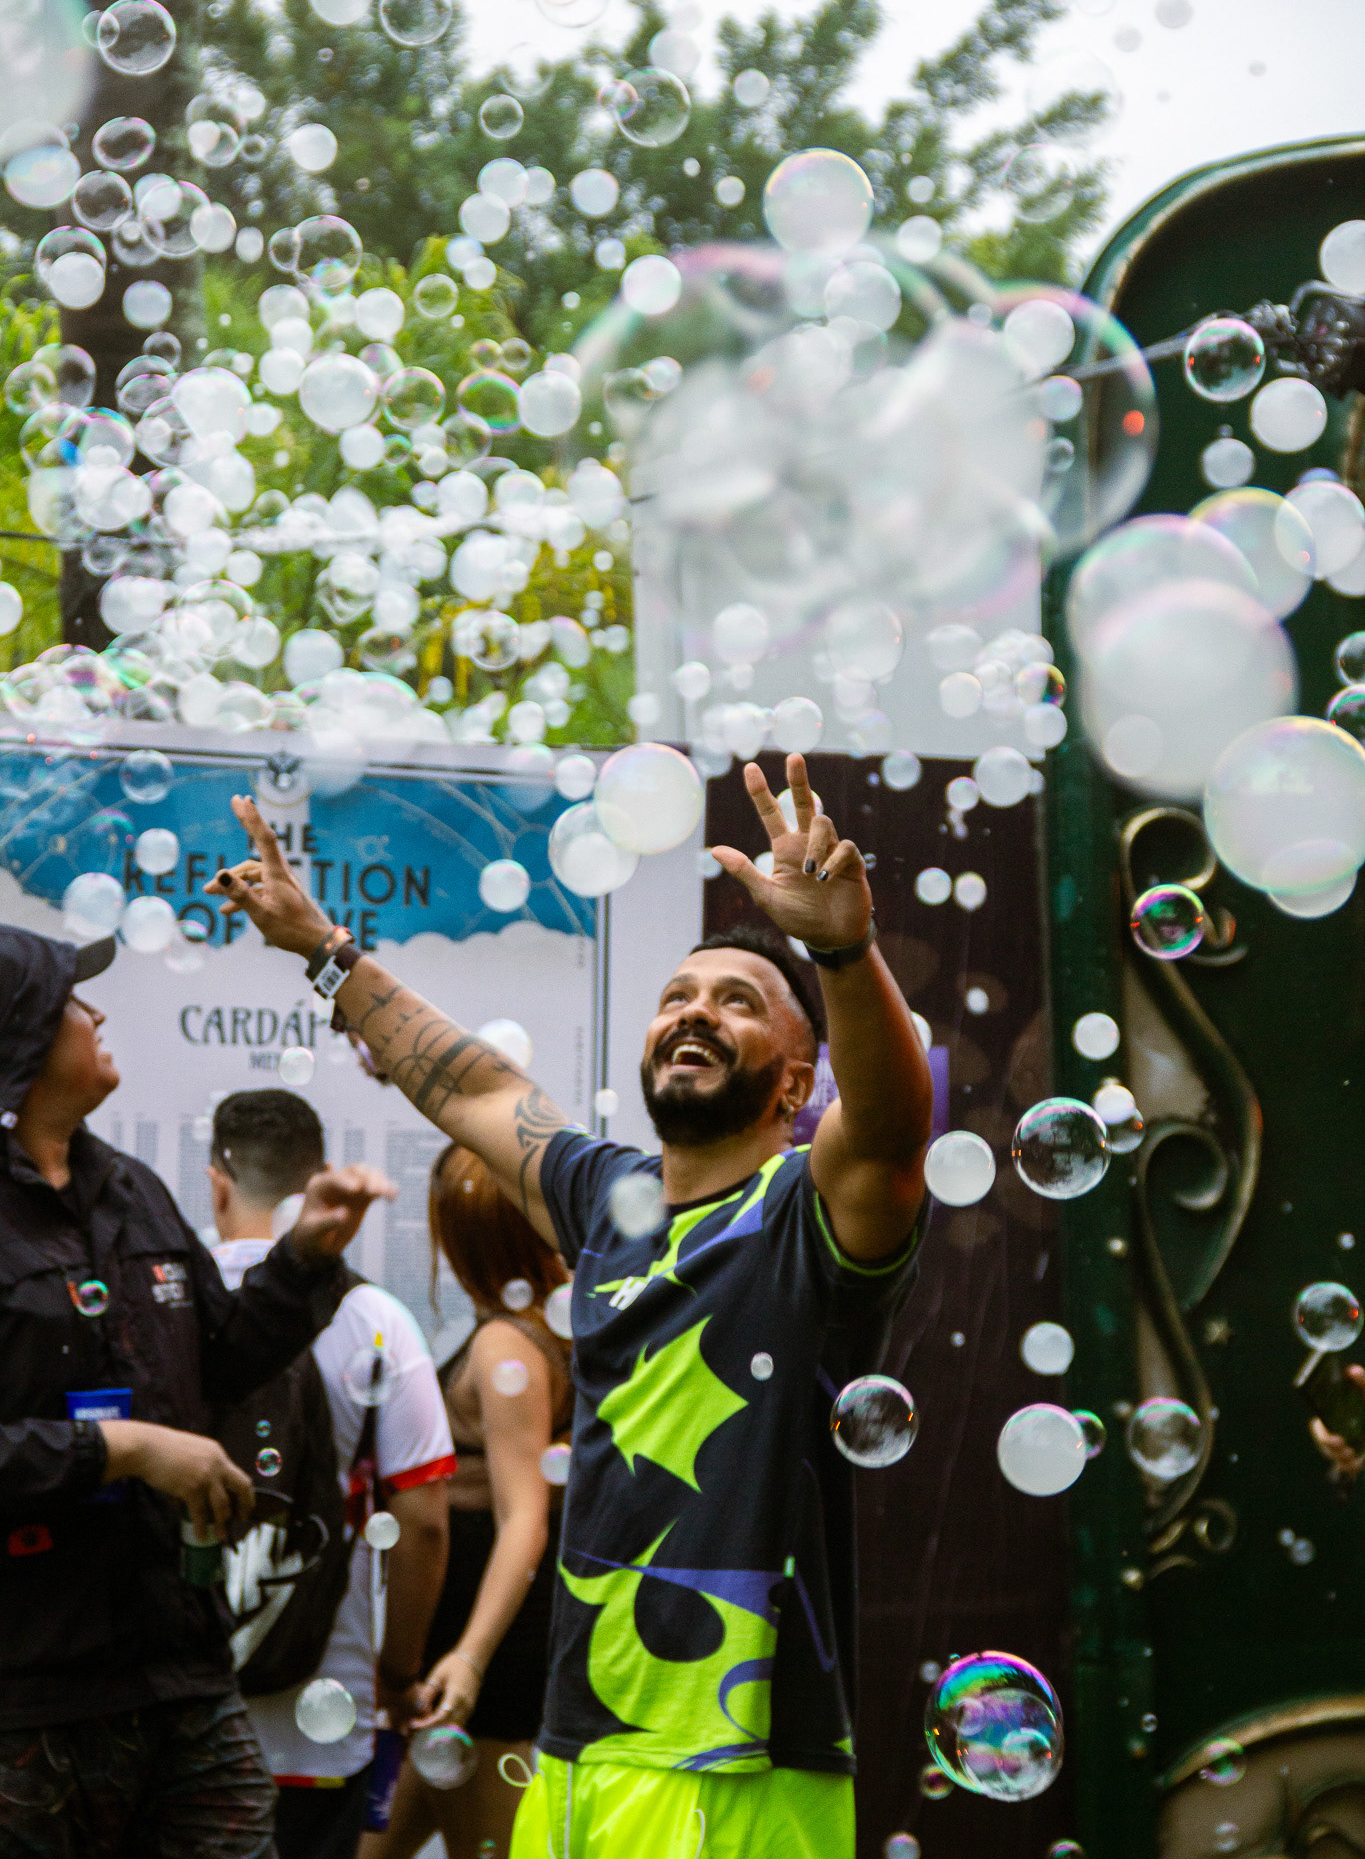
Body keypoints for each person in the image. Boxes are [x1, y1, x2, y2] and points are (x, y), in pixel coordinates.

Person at [209, 752, 934, 1859]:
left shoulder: (809, 1212)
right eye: (676, 996)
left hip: (742, 1759)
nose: (694, 1011)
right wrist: (324, 947)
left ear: (796, 1077)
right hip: (576, 1747)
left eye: (738, 1002)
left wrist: (842, 946)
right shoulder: (610, 1200)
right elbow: (469, 1084)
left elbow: (887, 1129)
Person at [0, 923, 393, 1859]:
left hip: (182, 1669)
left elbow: (217, 1358)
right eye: (69, 1000)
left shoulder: (130, 1188)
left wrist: (306, 1258)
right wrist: (126, 1449)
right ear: (17, 1034)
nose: (95, 1013)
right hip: (26, 1697)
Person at [207, 1088, 455, 1859]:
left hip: (183, 1723)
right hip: (326, 1717)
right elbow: (424, 1522)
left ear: (217, 1181)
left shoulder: (167, 1303)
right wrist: (397, 1672)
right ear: (318, 1182)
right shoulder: (379, 1320)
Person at [362, 1146, 574, 1859]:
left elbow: (524, 1517)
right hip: (466, 1653)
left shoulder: (504, 1346)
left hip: (485, 1656)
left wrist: (470, 1659)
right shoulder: (551, 1324)